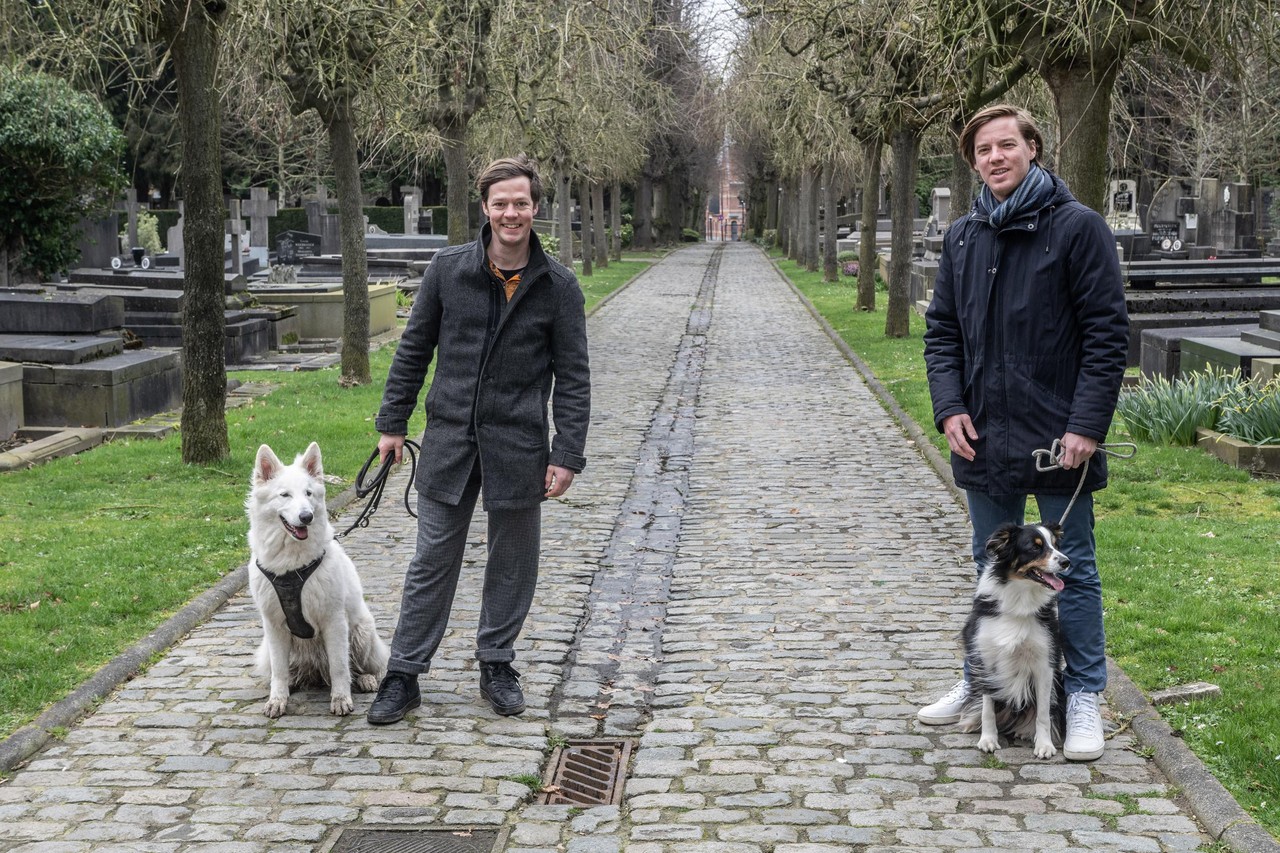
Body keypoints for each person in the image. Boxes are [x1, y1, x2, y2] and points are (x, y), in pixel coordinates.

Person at [920, 105, 1129, 761]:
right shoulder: (963, 237)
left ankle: (1086, 694)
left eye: (1007, 144)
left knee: (1078, 569)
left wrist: (1086, 423)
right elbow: (942, 334)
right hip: (982, 432)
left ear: (1032, 148)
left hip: (1058, 434)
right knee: (990, 562)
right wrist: (950, 405)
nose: (994, 157)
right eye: (983, 149)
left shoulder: (1078, 229)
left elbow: (1105, 334)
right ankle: (977, 680)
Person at [366, 156, 590, 724]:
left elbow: (574, 376)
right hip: (450, 440)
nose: (511, 213)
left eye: (521, 203)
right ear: (485, 209)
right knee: (432, 558)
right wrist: (393, 424)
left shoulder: (558, 286)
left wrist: (566, 453)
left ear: (535, 208)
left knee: (512, 560)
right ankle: (404, 673)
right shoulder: (447, 270)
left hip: (518, 444)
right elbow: (414, 350)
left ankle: (497, 662)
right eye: (500, 204)